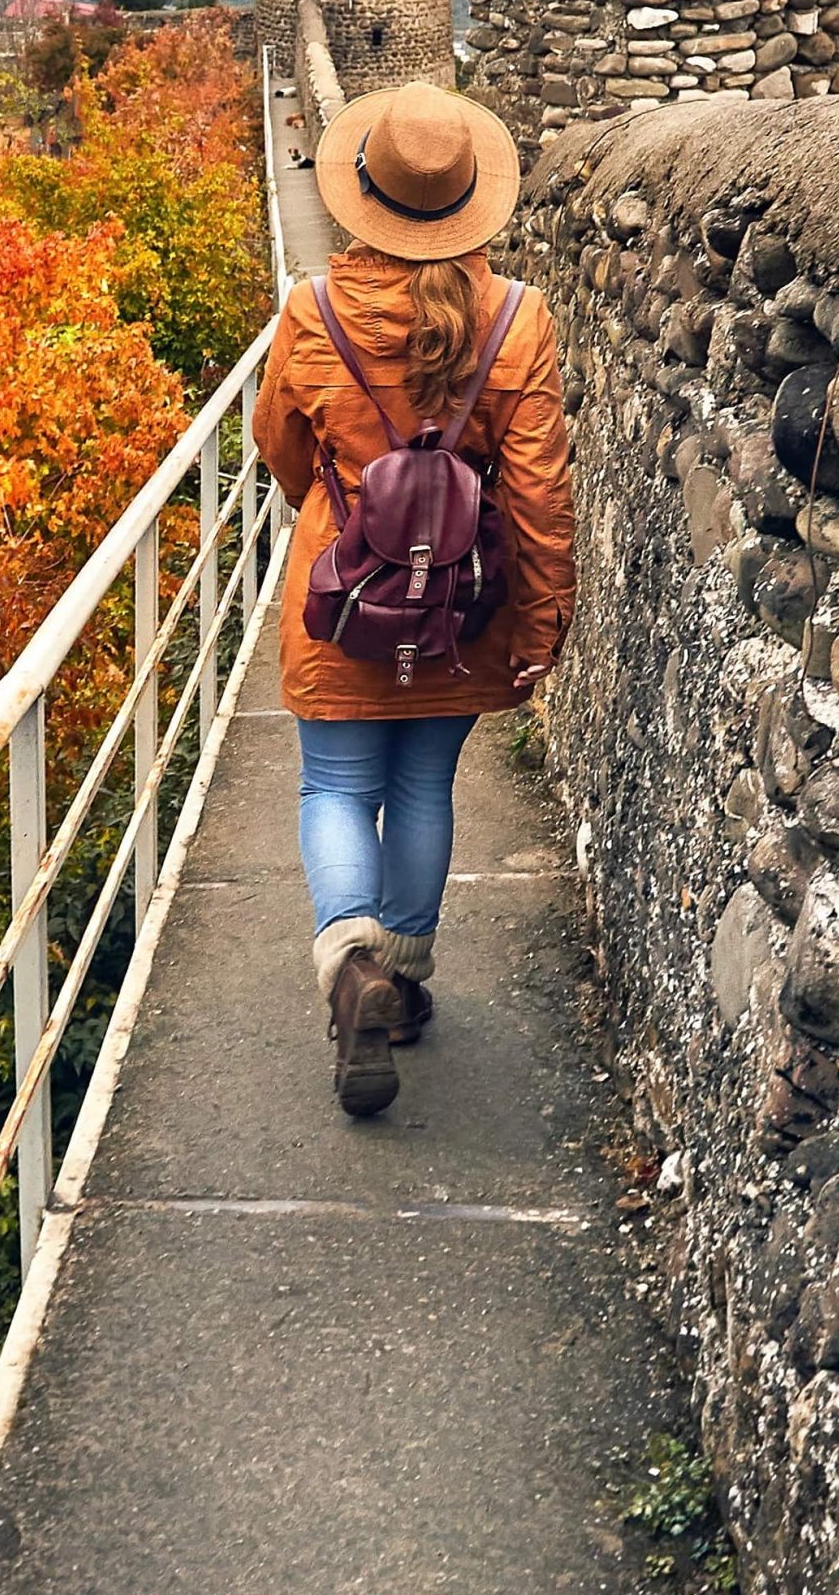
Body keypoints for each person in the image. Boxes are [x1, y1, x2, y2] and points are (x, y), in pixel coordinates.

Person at [250, 81, 575, 1117]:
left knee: (337, 785)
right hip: (461, 605)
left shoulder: (311, 308)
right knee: (424, 785)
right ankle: (405, 975)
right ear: (470, 196)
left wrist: (343, 512)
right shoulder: (517, 320)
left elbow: (278, 448)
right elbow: (536, 492)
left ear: (363, 189)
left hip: (343, 600)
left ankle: (352, 966)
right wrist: (539, 620)